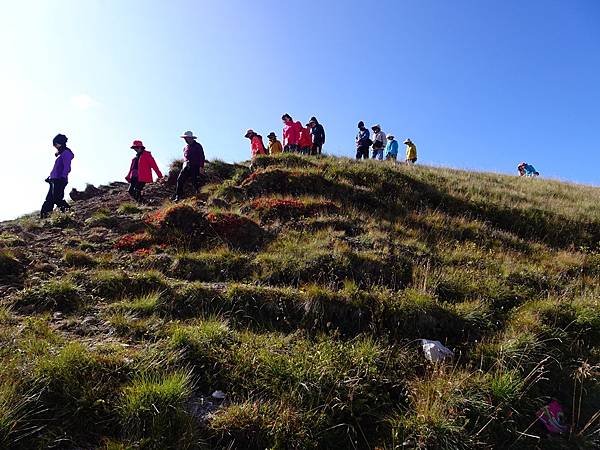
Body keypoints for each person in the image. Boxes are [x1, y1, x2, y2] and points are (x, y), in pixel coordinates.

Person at [40, 134, 74, 218]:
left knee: (57, 199)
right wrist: (50, 178)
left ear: (60, 143)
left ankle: (69, 213)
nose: (54, 146)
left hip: (60, 180)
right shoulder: (60, 154)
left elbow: (67, 166)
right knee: (49, 200)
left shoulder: (66, 153)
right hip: (54, 180)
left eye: (55, 144)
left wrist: (63, 177)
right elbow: (56, 169)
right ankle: (45, 217)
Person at [174, 130, 205, 202]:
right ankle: (178, 196)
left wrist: (201, 167)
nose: (185, 140)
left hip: (195, 166)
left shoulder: (198, 146)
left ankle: (199, 194)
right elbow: (185, 158)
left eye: (187, 138)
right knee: (180, 179)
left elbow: (202, 156)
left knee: (195, 180)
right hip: (186, 166)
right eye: (185, 138)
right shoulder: (185, 148)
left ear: (191, 138)